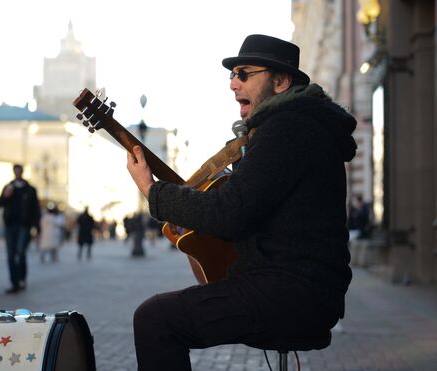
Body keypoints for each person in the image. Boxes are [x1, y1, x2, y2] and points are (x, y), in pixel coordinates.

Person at [126, 34, 357, 370]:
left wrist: (151, 189)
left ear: (280, 82)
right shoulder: (294, 126)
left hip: (292, 291)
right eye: (232, 75)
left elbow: (228, 213)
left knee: (156, 319)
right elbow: (243, 208)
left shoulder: (288, 128)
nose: (233, 84)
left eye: (245, 73)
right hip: (303, 289)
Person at [0, 164, 41, 294]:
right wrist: (6, 195)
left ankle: (22, 279)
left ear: (22, 172)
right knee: (10, 255)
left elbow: (35, 209)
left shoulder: (30, 189)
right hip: (10, 225)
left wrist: (36, 227)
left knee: (21, 252)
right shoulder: (8, 187)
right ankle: (14, 283)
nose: (17, 174)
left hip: (23, 225)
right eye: (15, 171)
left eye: (19, 171)